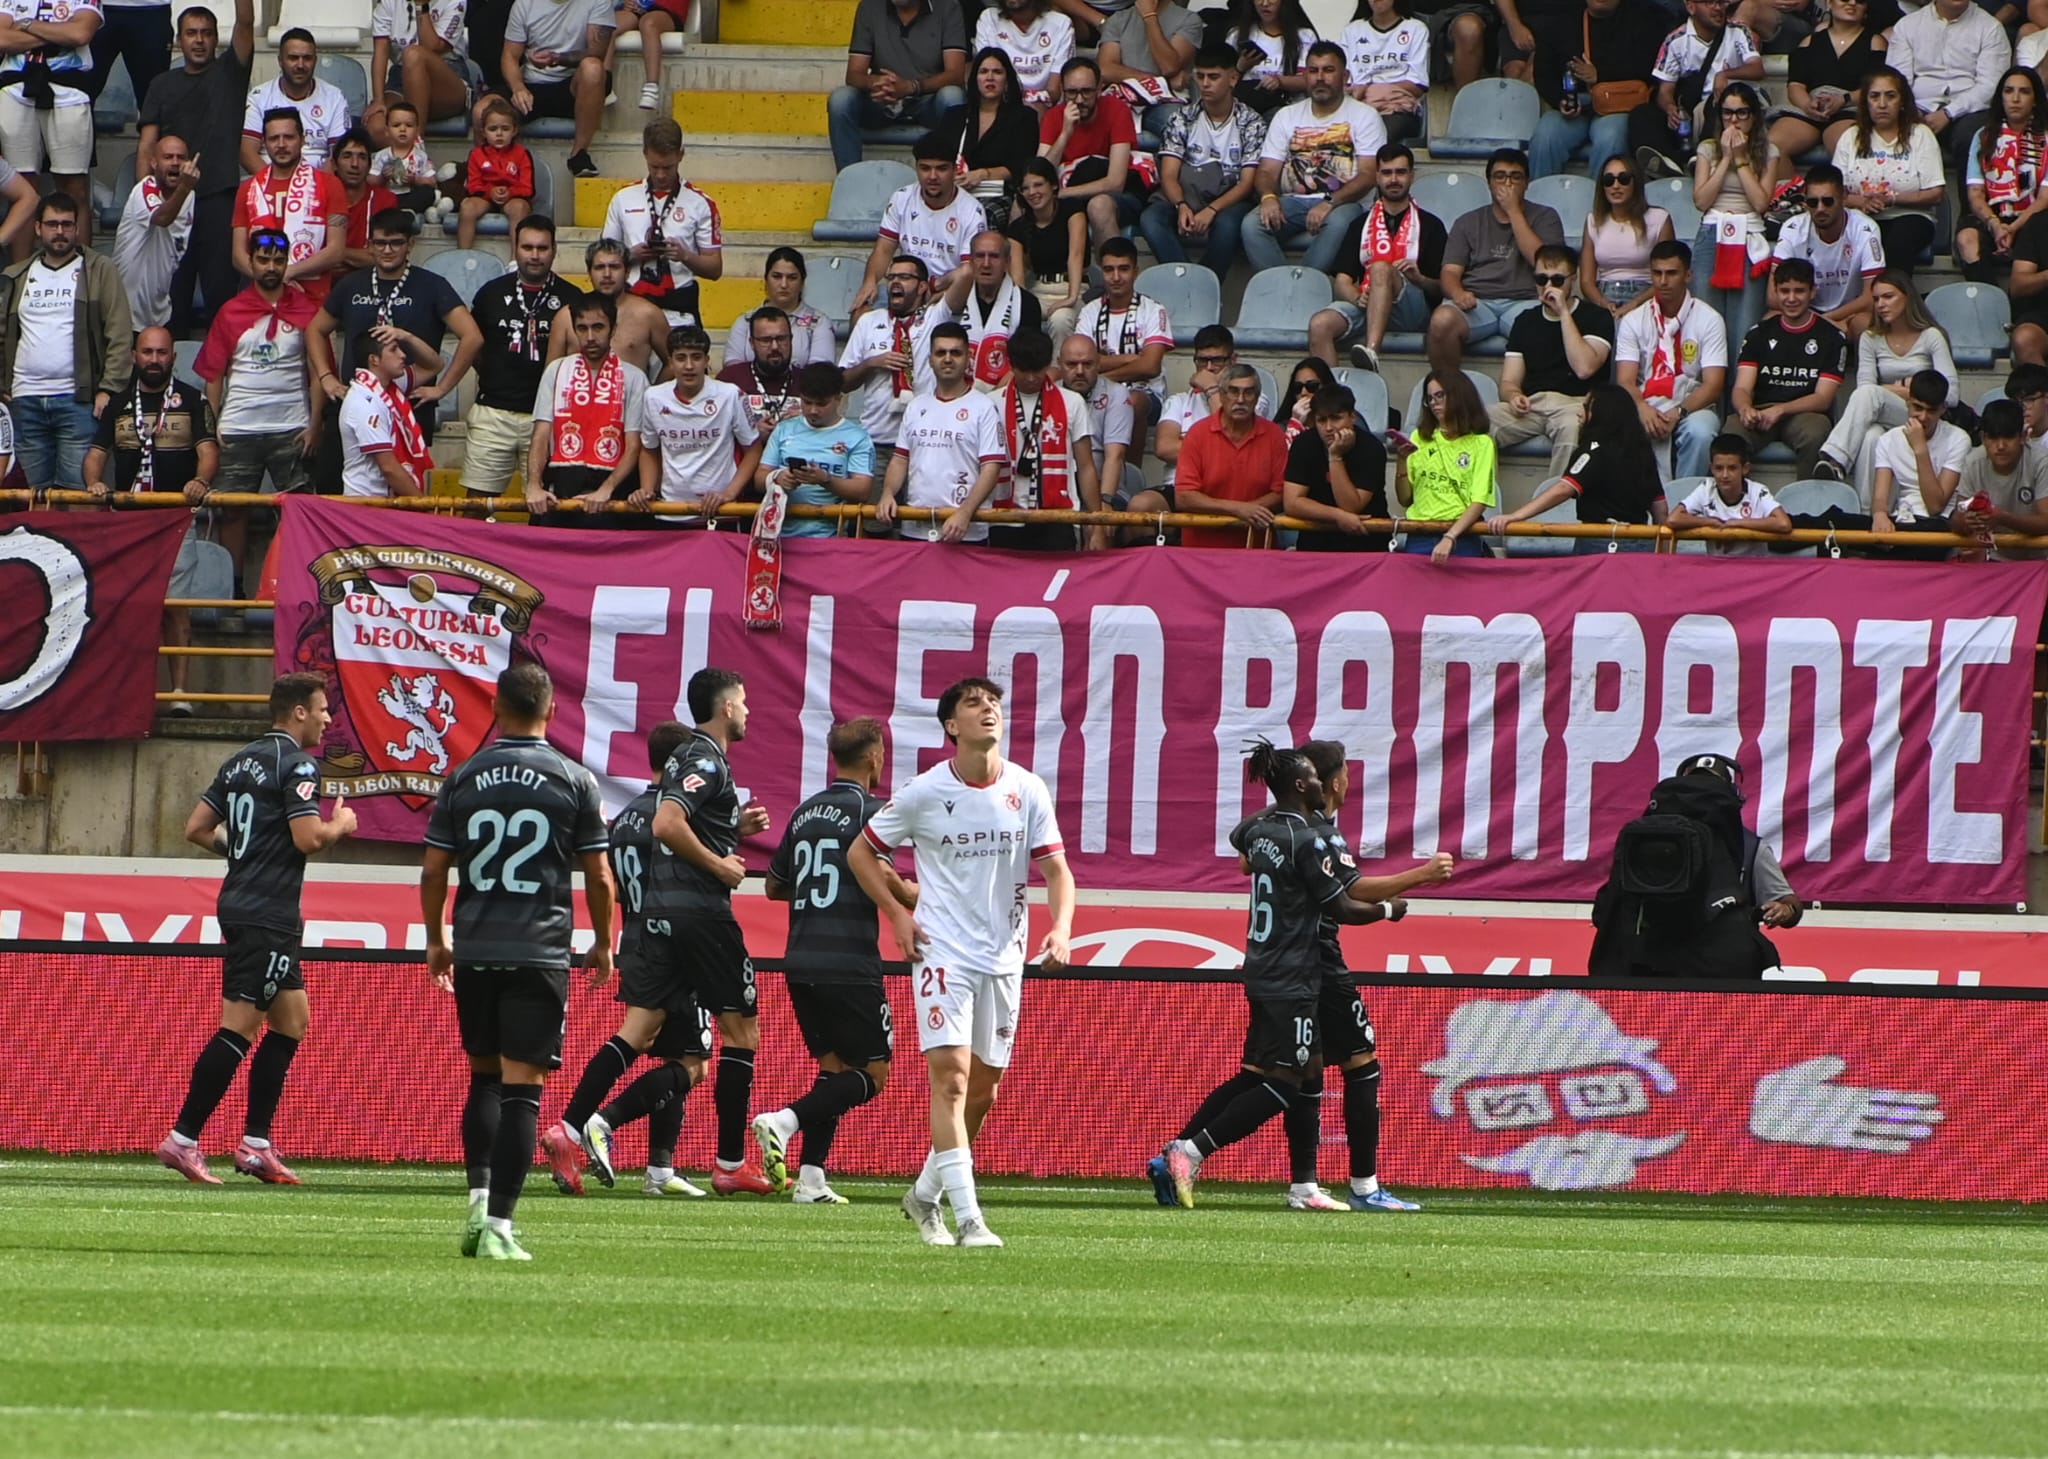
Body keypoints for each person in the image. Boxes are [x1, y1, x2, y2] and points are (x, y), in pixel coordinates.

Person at [1155, 739, 1449, 1210]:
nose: (1338, 782)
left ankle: (1303, 1186)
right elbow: (1348, 897)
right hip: (1307, 962)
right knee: (1339, 1067)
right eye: (1334, 775)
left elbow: (1244, 850)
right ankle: (1359, 1186)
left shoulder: (1267, 826)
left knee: (1281, 1070)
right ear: (1326, 782)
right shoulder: (1315, 836)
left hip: (1267, 962)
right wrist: (1410, 887)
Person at [850, 676, 1074, 1248]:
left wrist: (1062, 928)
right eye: (975, 705)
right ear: (951, 726)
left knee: (984, 1090)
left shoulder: (1027, 788)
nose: (988, 711)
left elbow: (1056, 872)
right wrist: (899, 917)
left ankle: (924, 1195)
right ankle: (969, 1218)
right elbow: (862, 852)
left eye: (994, 703)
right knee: (950, 1079)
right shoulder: (924, 792)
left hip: (1005, 956)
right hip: (942, 953)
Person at [423, 663, 613, 1259]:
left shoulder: (462, 778)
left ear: (495, 710)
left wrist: (436, 940)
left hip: (476, 947)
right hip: (538, 949)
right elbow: (599, 875)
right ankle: (500, 1229)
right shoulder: (574, 780)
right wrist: (605, 942)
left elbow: (433, 870)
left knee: (482, 1077)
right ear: (551, 711)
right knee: (522, 1091)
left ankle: (479, 1206)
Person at [157, 672, 357, 1186]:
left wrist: (244, 854)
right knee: (240, 1028)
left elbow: (196, 828)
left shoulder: (239, 759)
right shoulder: (296, 764)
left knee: (292, 1020)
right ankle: (182, 1140)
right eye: (322, 709)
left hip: (246, 903)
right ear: (297, 713)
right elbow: (309, 837)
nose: (328, 718)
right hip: (267, 911)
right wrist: (341, 827)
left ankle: (255, 1145)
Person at [545, 721, 712, 1199]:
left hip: (636, 938)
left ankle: (659, 1169)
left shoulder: (627, 820)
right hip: (674, 944)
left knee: (668, 1052)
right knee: (693, 1063)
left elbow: (612, 883)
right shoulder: (675, 817)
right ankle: (587, 1124)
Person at [753, 717, 917, 1204]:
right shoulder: (874, 813)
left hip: (800, 958)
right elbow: (887, 879)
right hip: (848, 959)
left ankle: (811, 1179)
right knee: (872, 1073)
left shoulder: (805, 813)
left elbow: (773, 886)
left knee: (834, 1068)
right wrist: (915, 895)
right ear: (874, 758)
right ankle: (784, 1121)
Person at [84, 328, 216, 707]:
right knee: (128, 607)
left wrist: (201, 479)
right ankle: (126, 692)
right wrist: (94, 482)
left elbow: (209, 452)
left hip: (175, 518)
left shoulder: (192, 399)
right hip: (129, 523)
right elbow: (95, 454)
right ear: (133, 356)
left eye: (161, 352)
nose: (154, 359)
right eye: (147, 352)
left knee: (175, 607)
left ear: (174, 357)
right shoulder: (118, 404)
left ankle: (179, 694)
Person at [1588, 751, 1799, 978]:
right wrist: (1786, 909)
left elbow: (1606, 909)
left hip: (1643, 969)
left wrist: (1785, 909)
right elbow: (1791, 905)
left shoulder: (1640, 840)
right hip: (1713, 974)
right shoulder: (1750, 846)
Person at [307, 209, 481, 463]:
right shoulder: (351, 284)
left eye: (396, 243)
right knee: (345, 488)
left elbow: (473, 336)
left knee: (405, 487)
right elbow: (315, 329)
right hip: (355, 399)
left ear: (410, 244)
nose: (387, 250)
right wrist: (325, 377)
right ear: (369, 246)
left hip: (410, 402)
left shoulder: (431, 285)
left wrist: (442, 388)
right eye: (380, 243)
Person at [196, 227, 320, 580]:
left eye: (278, 261)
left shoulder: (307, 310)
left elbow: (317, 371)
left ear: (287, 264)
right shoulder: (231, 311)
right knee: (232, 513)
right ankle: (231, 589)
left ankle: (297, 587)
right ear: (250, 262)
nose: (271, 267)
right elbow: (214, 374)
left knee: (300, 512)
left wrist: (315, 424)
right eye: (263, 259)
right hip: (238, 428)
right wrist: (213, 426)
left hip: (292, 428)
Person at [0, 195, 131, 489]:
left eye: (66, 224)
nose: (59, 231)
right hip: (24, 400)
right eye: (52, 224)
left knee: (78, 493)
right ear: (37, 228)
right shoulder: (16, 275)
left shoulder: (99, 270)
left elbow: (120, 335)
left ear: (77, 228)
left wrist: (108, 388)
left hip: (78, 401)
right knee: (30, 496)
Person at [139, 0, 254, 332]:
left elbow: (246, 22)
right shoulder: (161, 84)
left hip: (218, 198)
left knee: (220, 293)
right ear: (179, 40)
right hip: (172, 202)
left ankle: (223, 378)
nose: (200, 40)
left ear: (217, 39)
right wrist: (144, 198)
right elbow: (147, 145)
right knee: (172, 298)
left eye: (207, 33)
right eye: (191, 33)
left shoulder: (230, 72)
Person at [1242, 42, 1383, 273]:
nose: (1320, 78)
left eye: (1328, 70)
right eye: (1313, 71)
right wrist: (1268, 197)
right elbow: (1267, 170)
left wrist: (1330, 202)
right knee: (1252, 225)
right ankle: (1286, 289)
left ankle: (1305, 288)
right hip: (1294, 202)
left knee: (1338, 223)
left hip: (1348, 204)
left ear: (1345, 76)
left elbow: (1369, 175)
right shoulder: (1286, 116)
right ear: (1305, 75)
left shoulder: (1365, 116)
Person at [1813, 271, 1956, 499]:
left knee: (1871, 394)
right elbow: (1863, 388)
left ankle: (1835, 459)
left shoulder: (1931, 336)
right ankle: (1868, 515)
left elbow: (1951, 395)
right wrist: (1907, 388)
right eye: (1877, 299)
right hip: (1886, 412)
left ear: (1907, 298)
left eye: (1888, 297)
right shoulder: (1870, 337)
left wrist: (1903, 391)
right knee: (1870, 436)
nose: (1881, 305)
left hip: (1925, 417)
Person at [464, 215, 575, 501]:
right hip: (493, 413)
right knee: (477, 504)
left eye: (542, 248)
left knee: (545, 506)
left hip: (547, 417)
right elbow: (475, 348)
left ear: (554, 250)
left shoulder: (572, 298)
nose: (535, 255)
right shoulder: (491, 293)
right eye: (528, 247)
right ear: (515, 249)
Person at [1427, 149, 1566, 374]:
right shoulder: (1467, 221)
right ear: (1489, 182)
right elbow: (1449, 272)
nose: (1507, 183)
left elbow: (1547, 265)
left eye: (1515, 176)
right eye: (1500, 176)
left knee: (1546, 330)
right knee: (1441, 320)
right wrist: (1457, 293)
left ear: (1527, 182)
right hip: (1477, 302)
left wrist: (1514, 213)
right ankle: (1450, 392)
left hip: (1526, 301)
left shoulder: (1546, 217)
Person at [1305, 142, 1439, 372]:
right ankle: (1332, 398)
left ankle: (1371, 353)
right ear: (1377, 176)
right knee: (1320, 324)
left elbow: (1442, 288)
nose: (1394, 179)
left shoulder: (1431, 225)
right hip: (1368, 305)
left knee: (1380, 268)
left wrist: (1419, 278)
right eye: (1387, 173)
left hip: (1412, 311)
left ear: (1412, 176)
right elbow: (1342, 282)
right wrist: (1357, 298)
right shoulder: (1359, 224)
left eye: (1400, 172)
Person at [1489, 382, 1668, 552]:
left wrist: (1516, 516)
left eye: (1586, 407)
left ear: (1599, 412)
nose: (1580, 414)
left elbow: (1564, 488)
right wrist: (1665, 555)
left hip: (1602, 542)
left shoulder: (1594, 448)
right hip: (1641, 543)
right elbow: (1660, 508)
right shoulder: (1642, 452)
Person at [1486, 243, 1616, 476]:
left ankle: (1557, 507)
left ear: (1572, 280)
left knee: (1571, 429)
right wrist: (1514, 397)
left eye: (1557, 280)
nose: (1548, 287)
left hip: (1576, 404)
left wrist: (1564, 313)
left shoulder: (1597, 317)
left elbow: (1584, 368)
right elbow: (1508, 382)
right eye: (1541, 279)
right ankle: (1477, 501)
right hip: (1532, 405)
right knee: (1475, 422)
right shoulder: (1525, 321)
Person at [1139, 44, 1266, 279]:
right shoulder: (1182, 118)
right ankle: (1192, 283)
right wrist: (1181, 205)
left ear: (1233, 78)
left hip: (1228, 200)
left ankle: (1203, 285)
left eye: (1214, 77)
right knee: (1151, 218)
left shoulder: (1251, 122)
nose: (1205, 84)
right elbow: (1168, 175)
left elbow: (1247, 183)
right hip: (1186, 195)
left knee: (1228, 225)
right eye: (1200, 76)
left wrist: (1212, 210)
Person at [877, 321, 1007, 543]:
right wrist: (887, 493)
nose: (947, 359)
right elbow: (899, 461)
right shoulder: (916, 406)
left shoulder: (984, 407)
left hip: (965, 532)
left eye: (955, 353)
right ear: (930, 360)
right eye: (940, 353)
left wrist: (965, 513)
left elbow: (991, 469)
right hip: (915, 528)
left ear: (968, 359)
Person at [527, 293, 648, 525]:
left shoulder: (634, 378)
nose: (590, 337)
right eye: (582, 328)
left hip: (612, 488)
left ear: (613, 329)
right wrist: (533, 484)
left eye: (598, 327)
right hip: (560, 483)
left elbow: (634, 446)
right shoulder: (556, 370)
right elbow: (541, 435)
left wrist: (607, 489)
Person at [1612, 240, 1727, 483]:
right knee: (1618, 425)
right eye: (1657, 273)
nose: (1663, 281)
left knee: (1702, 431)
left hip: (1692, 403)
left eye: (1671, 273)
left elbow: (1713, 385)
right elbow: (1625, 380)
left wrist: (1678, 412)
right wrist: (1643, 409)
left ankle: (1682, 502)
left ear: (1688, 275)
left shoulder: (1709, 319)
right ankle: (1641, 506)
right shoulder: (1633, 320)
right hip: (1644, 400)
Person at [1726, 259, 1847, 479]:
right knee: (1731, 433)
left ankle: (1807, 508)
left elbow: (1823, 398)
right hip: (1761, 412)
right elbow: (1742, 387)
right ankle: (1735, 508)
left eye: (1799, 291)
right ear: (1776, 292)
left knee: (1816, 431)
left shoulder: (1832, 337)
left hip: (1805, 414)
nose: (1791, 298)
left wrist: (1781, 409)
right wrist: (1745, 409)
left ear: (1812, 292)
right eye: (1785, 291)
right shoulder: (1758, 333)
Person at [840, 253, 970, 456]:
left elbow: (966, 272)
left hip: (923, 441)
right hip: (877, 440)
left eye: (905, 278)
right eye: (891, 278)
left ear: (921, 287)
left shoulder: (934, 317)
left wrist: (936, 285)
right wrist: (872, 364)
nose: (895, 283)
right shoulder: (869, 321)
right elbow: (843, 382)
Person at [987, 326, 1102, 549]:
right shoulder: (991, 403)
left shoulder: (1072, 402)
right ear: (1011, 365)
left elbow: (1086, 466)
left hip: (1058, 517)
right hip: (1003, 516)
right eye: (1024, 370)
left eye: (1038, 370)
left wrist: (1096, 523)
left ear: (1050, 363)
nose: (1031, 378)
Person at [1690, 80, 1780, 364]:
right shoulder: (1707, 149)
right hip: (1712, 233)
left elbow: (1760, 203)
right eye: (1728, 113)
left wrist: (1741, 159)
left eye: (1742, 113)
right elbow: (1701, 201)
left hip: (1750, 235)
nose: (1734, 120)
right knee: (1707, 324)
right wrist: (1726, 158)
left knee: (1744, 329)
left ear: (1753, 116)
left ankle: (1737, 401)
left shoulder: (1769, 152)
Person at [602, 119, 722, 330]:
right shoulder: (623, 198)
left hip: (680, 311)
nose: (660, 175)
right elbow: (602, 259)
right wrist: (631, 255)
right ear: (644, 153)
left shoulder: (700, 203)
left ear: (681, 155)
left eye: (668, 167)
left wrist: (685, 255)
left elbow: (715, 268)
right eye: (654, 166)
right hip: (631, 308)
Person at [639, 324, 765, 523]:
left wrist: (729, 494)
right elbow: (649, 449)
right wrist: (647, 489)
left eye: (696, 357)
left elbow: (753, 450)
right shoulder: (653, 397)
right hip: (670, 511)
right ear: (670, 362)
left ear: (707, 360)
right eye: (681, 358)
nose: (689, 366)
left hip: (721, 512)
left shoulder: (730, 394)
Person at [1527, 0, 1664, 181]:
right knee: (1546, 135)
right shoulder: (1562, 21)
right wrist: (1559, 99)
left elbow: (1650, 70)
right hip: (1576, 103)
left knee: (1611, 138)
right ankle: (1540, 201)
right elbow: (1544, 73)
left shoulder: (1643, 21)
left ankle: (1600, 206)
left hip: (1617, 105)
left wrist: (1600, 74)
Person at [0, 0, 103, 240]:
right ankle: (20, 273)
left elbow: (80, 34)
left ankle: (81, 273)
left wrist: (25, 25)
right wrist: (57, 34)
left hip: (70, 90)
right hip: (14, 89)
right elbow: (2, 39)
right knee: (22, 188)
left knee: (74, 188)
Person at [829, 0, 969, 171]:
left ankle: (949, 178)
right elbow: (853, 75)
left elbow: (956, 74)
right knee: (841, 99)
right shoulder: (870, 7)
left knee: (953, 96)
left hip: (928, 99)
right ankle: (848, 181)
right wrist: (875, 82)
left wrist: (911, 87)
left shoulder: (948, 6)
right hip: (882, 99)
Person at [855, 134, 984, 319]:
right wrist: (870, 282)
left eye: (941, 169)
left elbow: (968, 272)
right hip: (907, 287)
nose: (932, 176)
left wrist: (940, 291)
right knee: (860, 313)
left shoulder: (972, 211)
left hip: (947, 292)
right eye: (925, 168)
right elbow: (883, 250)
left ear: (954, 170)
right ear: (916, 168)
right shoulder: (901, 198)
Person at [1632, 0, 1765, 180]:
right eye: (1710, 2)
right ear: (1690, 6)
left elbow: (1757, 69)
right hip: (1692, 112)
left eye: (1721, 2)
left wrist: (1725, 74)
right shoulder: (1675, 40)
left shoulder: (1738, 31)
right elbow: (1665, 90)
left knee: (1719, 102)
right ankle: (1668, 165)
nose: (1718, 8)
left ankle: (1703, 160)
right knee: (1642, 113)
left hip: (1728, 110)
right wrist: (1670, 108)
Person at [1833, 65, 1945, 270]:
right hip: (1860, 217)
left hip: (1910, 217)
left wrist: (1891, 198)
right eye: (1874, 97)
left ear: (1902, 101)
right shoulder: (1851, 136)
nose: (1882, 104)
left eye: (1890, 96)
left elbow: (1935, 193)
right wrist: (1860, 202)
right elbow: (1834, 191)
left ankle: (1896, 299)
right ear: (1866, 102)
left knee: (1897, 242)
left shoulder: (1920, 134)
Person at [232, 108, 349, 303]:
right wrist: (272, 279)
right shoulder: (248, 188)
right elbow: (238, 255)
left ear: (302, 140)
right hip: (259, 299)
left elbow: (336, 251)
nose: (281, 145)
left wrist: (287, 273)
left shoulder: (329, 184)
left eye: (289, 137)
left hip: (312, 300)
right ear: (264, 143)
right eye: (273, 138)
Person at [1073, 237, 1172, 464]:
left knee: (1131, 401)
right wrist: (1130, 359)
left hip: (1146, 395)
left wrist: (1102, 373)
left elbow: (1150, 366)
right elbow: (1082, 359)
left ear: (1135, 272)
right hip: (1095, 391)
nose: (1116, 277)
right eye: (1109, 270)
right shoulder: (1090, 311)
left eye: (1123, 269)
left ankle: (1130, 476)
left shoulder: (1153, 310)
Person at [754, 362, 877, 538]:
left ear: (838, 399)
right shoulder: (784, 429)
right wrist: (777, 478)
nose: (812, 410)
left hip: (830, 537)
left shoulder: (858, 437)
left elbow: (863, 490)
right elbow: (759, 478)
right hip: (778, 536)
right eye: (807, 402)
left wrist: (826, 480)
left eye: (821, 404)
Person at [1176, 362, 1289, 549]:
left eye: (1249, 392)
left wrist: (1249, 510)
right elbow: (1184, 497)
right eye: (1233, 391)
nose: (1241, 399)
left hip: (1256, 550)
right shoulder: (1198, 434)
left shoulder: (1274, 435)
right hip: (1200, 552)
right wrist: (1240, 509)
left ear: (1257, 397)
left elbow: (1282, 493)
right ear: (1221, 394)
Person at [1886, 0, 2007, 173]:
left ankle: (1972, 200)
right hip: (1918, 106)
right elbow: (1897, 81)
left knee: (1972, 138)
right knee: (1891, 127)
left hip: (1969, 111)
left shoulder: (1991, 28)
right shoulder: (1907, 26)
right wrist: (1910, 109)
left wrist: (1949, 113)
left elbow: (1990, 85)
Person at [1145, 325, 1260, 501]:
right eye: (1202, 361)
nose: (1209, 368)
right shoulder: (1178, 401)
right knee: (1142, 504)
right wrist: (1219, 451)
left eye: (1217, 360)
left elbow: (1234, 434)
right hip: (1178, 485)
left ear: (1233, 360)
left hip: (1229, 489)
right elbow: (1164, 448)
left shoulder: (1251, 399)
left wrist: (1211, 388)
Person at [1770, 163, 1883, 339]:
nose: (1820, 209)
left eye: (1828, 201)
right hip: (1804, 310)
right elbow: (1772, 295)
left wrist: (1825, 321)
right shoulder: (1792, 228)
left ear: (1844, 196)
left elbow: (1871, 297)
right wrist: (1811, 321)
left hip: (1849, 313)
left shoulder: (1865, 229)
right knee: (1771, 319)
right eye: (1813, 202)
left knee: (1865, 324)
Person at [1038, 56, 1143, 246]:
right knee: (1022, 204)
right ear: (1062, 90)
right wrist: (1065, 134)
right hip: (1072, 193)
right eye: (1072, 92)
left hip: (1120, 196)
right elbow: (1040, 174)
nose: (1079, 100)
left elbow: (1116, 182)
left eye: (1086, 91)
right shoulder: (1054, 116)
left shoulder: (1116, 109)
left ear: (1099, 88)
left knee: (1099, 205)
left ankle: (1112, 273)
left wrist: (1061, 194)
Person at [1391, 367, 1493, 561]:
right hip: (1419, 534)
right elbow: (1405, 499)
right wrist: (1402, 461)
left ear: (1458, 396)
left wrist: (1450, 536)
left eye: (1440, 396)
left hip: (1462, 536)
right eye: (1429, 399)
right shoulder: (1419, 438)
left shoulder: (1482, 443)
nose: (1434, 403)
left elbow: (1479, 501)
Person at [1957, 67, 2048, 283]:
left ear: (2035, 99)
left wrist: (2013, 228)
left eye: (2024, 92)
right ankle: (1990, 302)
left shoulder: (2046, 139)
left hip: (2034, 218)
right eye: (2009, 91)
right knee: (1967, 238)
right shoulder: (1983, 136)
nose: (2015, 99)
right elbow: (1975, 194)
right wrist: (1996, 225)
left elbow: (2045, 198)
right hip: (1992, 217)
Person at [503, 0, 612, 178]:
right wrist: (518, 88)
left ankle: (579, 154)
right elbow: (509, 56)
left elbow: (597, 53)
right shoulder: (524, 4)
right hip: (531, 86)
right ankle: (483, 174)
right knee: (481, 111)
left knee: (593, 68)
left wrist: (556, 58)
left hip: (572, 87)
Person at [1766, 0, 1884, 164]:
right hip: (1812, 108)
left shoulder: (1875, 42)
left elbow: (1878, 85)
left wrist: (1844, 99)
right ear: (1829, 3)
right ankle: (1791, 189)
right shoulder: (1809, 42)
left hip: (1850, 108)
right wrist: (1808, 105)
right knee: (1773, 146)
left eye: (1860, 1)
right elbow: (1795, 85)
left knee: (1845, 145)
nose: (1852, 3)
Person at [941, 47, 1040, 230]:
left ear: (1007, 80)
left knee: (981, 216)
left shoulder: (1024, 117)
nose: (990, 77)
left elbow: (1021, 166)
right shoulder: (955, 116)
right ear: (975, 79)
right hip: (956, 192)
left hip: (999, 194)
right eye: (984, 71)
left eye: (997, 72)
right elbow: (940, 156)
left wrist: (982, 174)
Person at [109, 134, 198, 335]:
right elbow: (162, 218)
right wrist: (185, 187)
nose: (175, 163)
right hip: (124, 314)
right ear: (154, 162)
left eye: (181, 157)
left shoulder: (189, 196)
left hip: (160, 312)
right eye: (168, 157)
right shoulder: (143, 189)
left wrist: (185, 189)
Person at [1282, 384, 1388, 549]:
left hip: (1365, 544)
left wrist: (1335, 457)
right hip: (1315, 544)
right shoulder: (1304, 444)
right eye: (1321, 420)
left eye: (1336, 418)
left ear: (1352, 417)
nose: (1329, 428)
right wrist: (1337, 516)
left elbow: (1350, 507)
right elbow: (1292, 503)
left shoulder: (1372, 448)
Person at [1870, 369, 1970, 537]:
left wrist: (1920, 449)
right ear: (1907, 402)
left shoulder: (1958, 439)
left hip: (1939, 525)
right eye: (1918, 407)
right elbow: (1880, 496)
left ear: (1942, 410)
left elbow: (1935, 506)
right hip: (1903, 520)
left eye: (1931, 411)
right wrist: (1879, 514)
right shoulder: (1888, 440)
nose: (1923, 417)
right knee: (1837, 522)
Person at [547, 239, 670, 375]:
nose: (607, 275)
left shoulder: (649, 314)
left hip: (630, 395)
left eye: (614, 267)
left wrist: (650, 394)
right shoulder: (565, 316)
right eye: (599, 267)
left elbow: (673, 362)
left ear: (627, 272)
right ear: (589, 272)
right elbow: (552, 372)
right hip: (577, 394)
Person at [239, 29, 353, 175]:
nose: (300, 65)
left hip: (319, 185)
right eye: (293, 58)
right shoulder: (258, 97)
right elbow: (247, 153)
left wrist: (311, 188)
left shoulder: (334, 97)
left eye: (307, 58)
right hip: (270, 181)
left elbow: (339, 156)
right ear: (280, 61)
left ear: (315, 61)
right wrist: (276, 184)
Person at [338, 330, 432, 498]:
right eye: (394, 349)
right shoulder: (364, 401)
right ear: (374, 359)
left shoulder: (386, 391)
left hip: (383, 502)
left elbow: (435, 364)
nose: (403, 355)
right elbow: (389, 468)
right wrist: (423, 507)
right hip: (367, 505)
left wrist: (408, 336)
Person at [1666, 432, 1792, 552]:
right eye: (1719, 468)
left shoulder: (1758, 491)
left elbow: (1783, 523)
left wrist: (1737, 524)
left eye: (1732, 468)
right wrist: (1710, 522)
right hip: (1717, 569)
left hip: (1754, 569)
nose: (1725, 475)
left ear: (1745, 468)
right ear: (1711, 468)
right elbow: (1673, 519)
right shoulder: (1706, 488)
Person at [1954, 400, 2048, 559]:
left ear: (2023, 436)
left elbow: (2046, 522)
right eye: (1993, 437)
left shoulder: (2041, 462)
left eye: (2008, 437)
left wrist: (2002, 517)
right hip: (1992, 559)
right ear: (1983, 438)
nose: (2001, 446)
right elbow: (1958, 517)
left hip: (2038, 562)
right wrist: (1966, 521)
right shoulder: (1973, 462)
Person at [1580, 160, 1674, 317]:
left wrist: (1635, 304)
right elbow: (1586, 281)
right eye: (1609, 180)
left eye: (1623, 179)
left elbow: (1667, 275)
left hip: (1646, 297)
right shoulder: (1593, 220)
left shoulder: (1659, 218)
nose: (1616, 186)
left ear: (1635, 182)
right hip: (1603, 296)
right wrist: (1603, 304)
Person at [367, 0, 474, 138]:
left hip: (447, 76)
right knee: (377, 126)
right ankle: (405, 157)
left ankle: (416, 143)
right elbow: (380, 51)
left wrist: (421, 7)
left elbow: (433, 47)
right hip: (401, 76)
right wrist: (378, 100)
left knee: (413, 54)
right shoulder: (389, 2)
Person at [1007, 158, 1088, 337]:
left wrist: (1071, 297)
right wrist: (1023, 306)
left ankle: (1058, 366)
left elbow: (1076, 255)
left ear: (1052, 185)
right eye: (1026, 188)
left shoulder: (1072, 211)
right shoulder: (1017, 228)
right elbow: (1018, 281)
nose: (1032, 192)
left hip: (1073, 288)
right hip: (1039, 291)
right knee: (1014, 316)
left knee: (1060, 319)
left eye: (1038, 185)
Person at [1097, 0, 1203, 130]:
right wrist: (1161, 82)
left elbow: (1169, 67)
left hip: (1166, 101)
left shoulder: (1188, 20)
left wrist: (1150, 17)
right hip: (1126, 99)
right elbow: (1105, 69)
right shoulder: (1118, 19)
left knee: (1177, 125)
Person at [959, 228, 1042, 389]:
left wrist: (994, 398)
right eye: (980, 256)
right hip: (958, 391)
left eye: (994, 256)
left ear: (1007, 262)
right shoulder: (957, 298)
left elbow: (1026, 362)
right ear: (970, 262)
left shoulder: (1026, 303)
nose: (986, 264)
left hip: (1006, 392)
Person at [725, 249, 837, 369]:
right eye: (777, 276)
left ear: (802, 282)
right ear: (766, 280)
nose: (784, 284)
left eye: (792, 277)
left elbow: (821, 375)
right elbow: (733, 372)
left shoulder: (819, 323)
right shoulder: (745, 322)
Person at [1340, 0, 1429, 146]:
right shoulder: (1352, 30)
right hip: (1357, 110)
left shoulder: (1415, 28)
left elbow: (1417, 86)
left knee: (1375, 138)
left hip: (1398, 111)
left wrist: (1370, 90)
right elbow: (1347, 84)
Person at [1059, 332, 1134, 498]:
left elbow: (1115, 456)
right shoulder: (1050, 394)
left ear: (1099, 364)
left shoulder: (1117, 393)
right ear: (1059, 364)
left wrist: (1105, 503)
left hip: (1106, 488)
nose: (1080, 371)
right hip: (1060, 490)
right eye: (1071, 364)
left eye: (1087, 364)